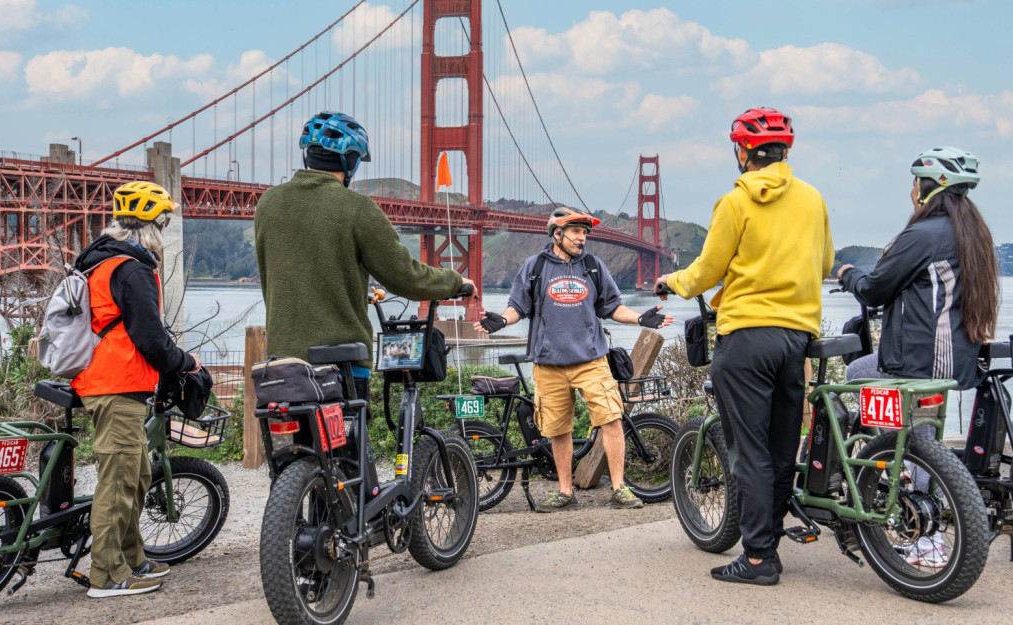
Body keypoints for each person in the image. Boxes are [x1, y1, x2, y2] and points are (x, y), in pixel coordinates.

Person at [656, 107, 833, 585]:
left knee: (749, 451)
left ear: (743, 152)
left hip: (747, 339)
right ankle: (769, 541)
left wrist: (671, 281)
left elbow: (706, 272)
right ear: (784, 152)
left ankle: (757, 559)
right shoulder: (813, 199)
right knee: (781, 448)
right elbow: (824, 264)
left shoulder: (735, 202)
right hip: (797, 339)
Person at [837, 146, 999, 568]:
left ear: (927, 188)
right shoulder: (972, 233)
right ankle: (892, 458)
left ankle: (925, 535)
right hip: (958, 358)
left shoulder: (924, 234)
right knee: (865, 378)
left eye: (914, 183)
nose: (911, 191)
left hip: (920, 363)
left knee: (910, 428)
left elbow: (875, 289)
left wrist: (847, 274)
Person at [255, 111, 472, 400]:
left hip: (282, 366)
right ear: (351, 161)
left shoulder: (268, 203)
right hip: (339, 366)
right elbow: (405, 277)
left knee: (287, 430)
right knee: (348, 430)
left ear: (307, 154)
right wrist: (455, 281)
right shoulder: (357, 207)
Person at [473, 207, 674, 512]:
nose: (582, 238)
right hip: (548, 363)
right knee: (558, 429)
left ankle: (620, 489)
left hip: (591, 360)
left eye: (584, 233)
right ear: (557, 233)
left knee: (612, 419)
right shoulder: (535, 266)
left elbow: (613, 307)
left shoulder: (593, 266)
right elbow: (517, 307)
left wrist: (639, 318)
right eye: (576, 232)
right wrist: (501, 320)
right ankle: (565, 493)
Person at [71, 181, 202, 597]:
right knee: (118, 483)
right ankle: (107, 575)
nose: (164, 233)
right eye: (163, 224)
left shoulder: (106, 260)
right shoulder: (132, 269)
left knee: (136, 475)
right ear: (153, 226)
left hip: (114, 383)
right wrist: (185, 362)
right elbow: (150, 338)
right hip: (115, 385)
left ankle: (133, 559)